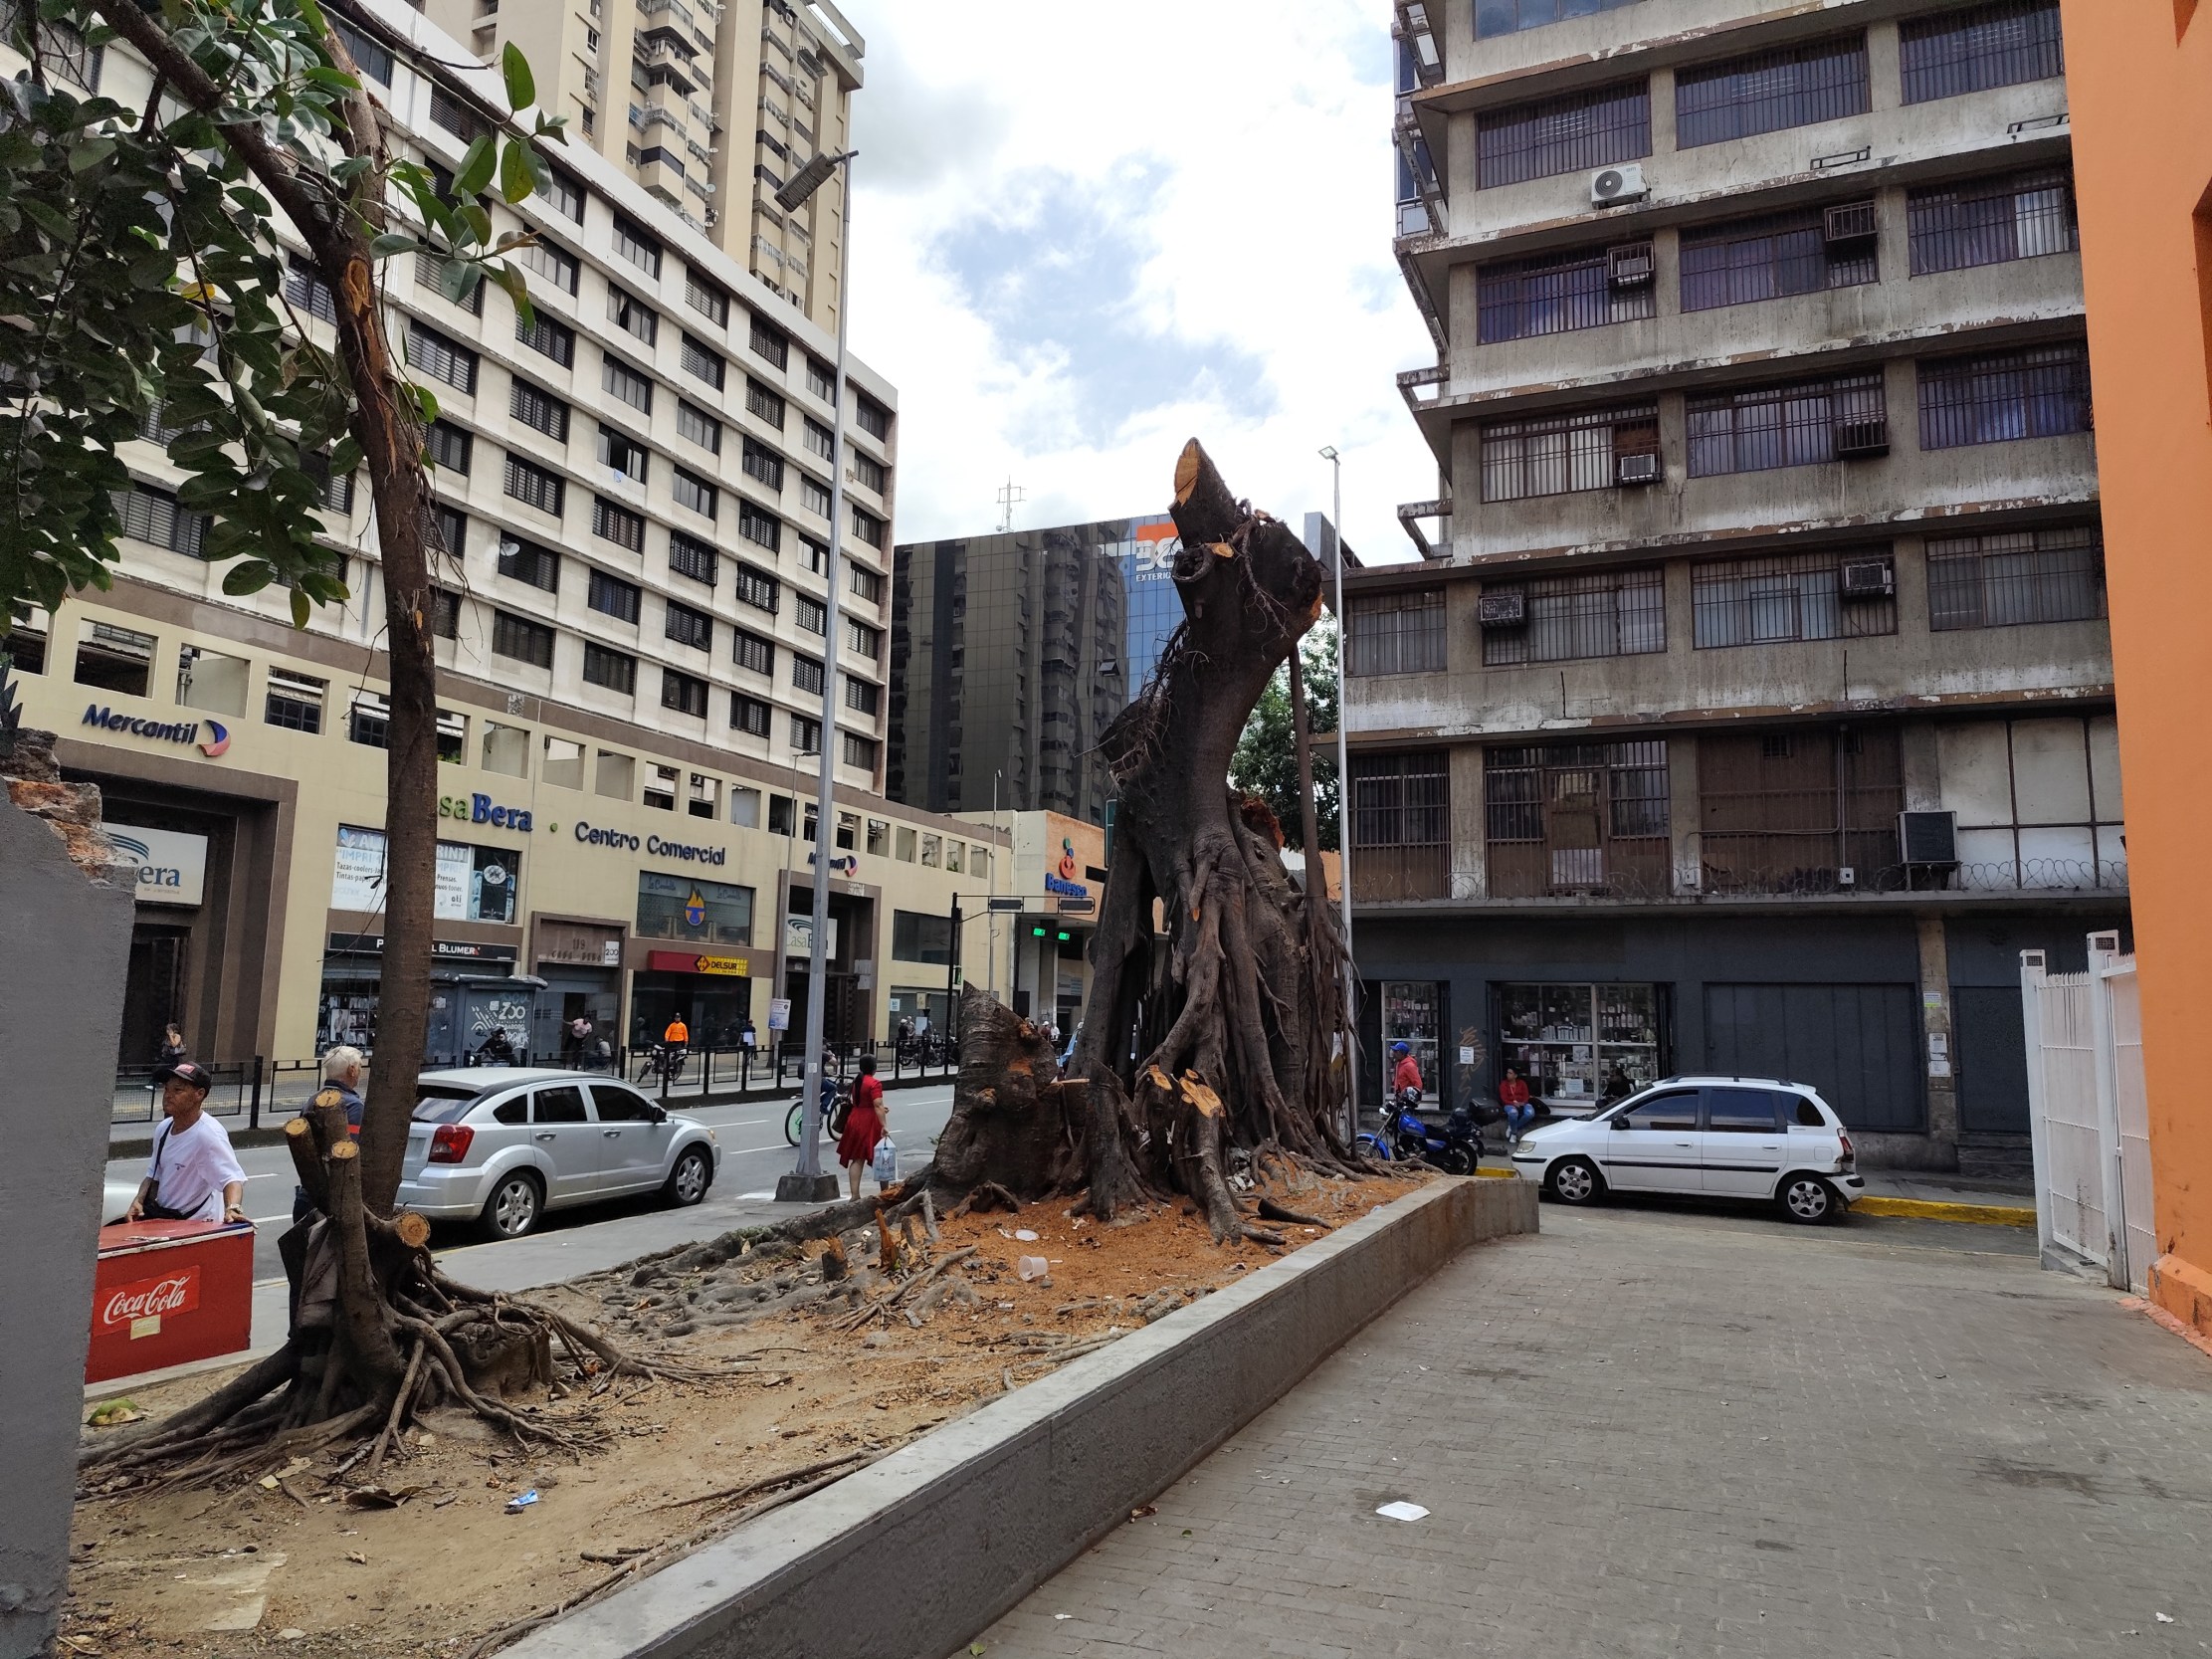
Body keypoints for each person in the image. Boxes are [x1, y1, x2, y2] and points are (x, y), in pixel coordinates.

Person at [125, 1061, 248, 1226]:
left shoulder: (208, 1134)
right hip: (167, 1220)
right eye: (167, 1089)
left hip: (198, 1227)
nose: (168, 1095)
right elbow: (153, 1175)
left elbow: (232, 1178)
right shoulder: (164, 1128)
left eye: (177, 1090)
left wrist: (233, 1208)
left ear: (199, 1094)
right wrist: (138, 1200)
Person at [293, 1046, 366, 1221]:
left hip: (306, 1194)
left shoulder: (311, 1101)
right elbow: (350, 1154)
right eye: (360, 1067)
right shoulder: (353, 1106)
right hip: (332, 1201)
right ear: (352, 1070)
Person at [836, 1054, 887, 1199]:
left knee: (857, 1158)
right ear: (874, 1068)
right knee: (881, 1157)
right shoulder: (874, 1083)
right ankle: (885, 1192)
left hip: (854, 1119)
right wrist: (884, 1125)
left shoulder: (857, 1081)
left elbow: (864, 1102)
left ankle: (855, 1195)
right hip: (869, 1122)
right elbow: (877, 1105)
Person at [1499, 1066, 1534, 1145]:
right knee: (1513, 1113)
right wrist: (1513, 1103)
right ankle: (1514, 1134)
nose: (1508, 1074)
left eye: (1510, 1073)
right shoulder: (1504, 1084)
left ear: (1515, 1075)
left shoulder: (1521, 1083)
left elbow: (1526, 1096)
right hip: (1509, 1104)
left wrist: (1523, 1102)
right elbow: (1504, 1099)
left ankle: (1512, 1127)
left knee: (1530, 1113)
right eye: (1507, 1073)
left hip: (1522, 1103)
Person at [1390, 1041, 1424, 1106]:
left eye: (1396, 1052)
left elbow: (1418, 1083)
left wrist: (1414, 1099)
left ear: (1402, 1054)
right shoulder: (1399, 1064)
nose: (1394, 1054)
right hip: (1400, 1099)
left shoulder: (1409, 1066)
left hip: (1407, 1101)